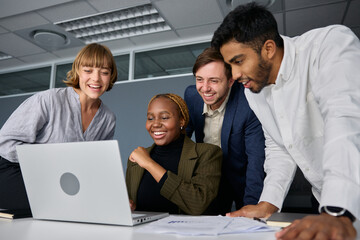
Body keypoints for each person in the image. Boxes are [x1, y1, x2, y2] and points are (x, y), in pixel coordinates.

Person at [211, 2, 359, 239]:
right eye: (229, 66)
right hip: (325, 203)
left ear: (268, 48)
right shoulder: (254, 92)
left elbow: (344, 121)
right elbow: (280, 148)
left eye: (238, 61)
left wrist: (338, 211)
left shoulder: (329, 45)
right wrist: (269, 203)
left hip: (343, 202)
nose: (235, 75)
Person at [0, 43, 118, 211]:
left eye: (104, 72)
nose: (96, 79)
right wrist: (50, 162)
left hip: (61, 182)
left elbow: (94, 165)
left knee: (90, 205)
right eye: (88, 70)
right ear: (78, 71)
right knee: (60, 204)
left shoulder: (108, 119)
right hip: (16, 171)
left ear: (111, 76)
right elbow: (4, 143)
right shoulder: (48, 100)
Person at [184, 47, 265, 215]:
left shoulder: (249, 103)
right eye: (200, 79)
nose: (205, 88)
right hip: (208, 175)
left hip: (242, 176)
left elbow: (256, 160)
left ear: (230, 81)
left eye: (213, 81)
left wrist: (252, 208)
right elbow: (181, 139)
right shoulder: (192, 96)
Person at [126, 93, 222, 215]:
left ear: (181, 121)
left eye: (164, 117)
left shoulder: (208, 153)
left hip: (184, 232)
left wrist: (149, 164)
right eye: (150, 118)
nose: (155, 124)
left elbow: (198, 205)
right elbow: (130, 204)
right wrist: (129, 205)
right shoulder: (136, 159)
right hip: (141, 233)